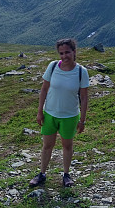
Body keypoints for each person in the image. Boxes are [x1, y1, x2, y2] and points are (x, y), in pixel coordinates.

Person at [29, 38, 89, 187]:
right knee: (47, 145)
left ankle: (66, 175)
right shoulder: (53, 66)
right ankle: (42, 173)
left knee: (67, 145)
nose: (64, 56)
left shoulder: (81, 72)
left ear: (74, 52)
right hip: (50, 113)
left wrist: (82, 120)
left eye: (67, 52)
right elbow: (44, 89)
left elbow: (84, 97)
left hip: (69, 116)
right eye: (61, 53)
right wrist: (39, 111)